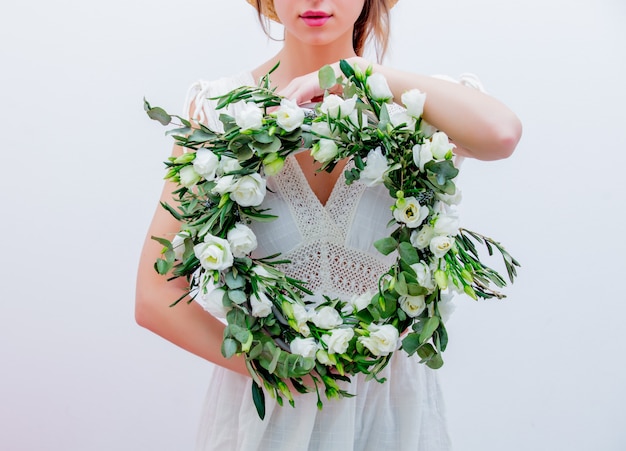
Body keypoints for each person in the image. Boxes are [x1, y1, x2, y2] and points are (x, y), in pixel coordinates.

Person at [135, 0, 522, 449]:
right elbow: (155, 293)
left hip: (390, 414)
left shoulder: (419, 107)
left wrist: (364, 77)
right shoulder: (219, 112)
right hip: (270, 413)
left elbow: (502, 134)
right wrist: (276, 366)